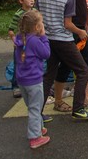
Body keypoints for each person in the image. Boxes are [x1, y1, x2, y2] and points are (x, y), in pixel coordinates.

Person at [37, 0, 88, 121]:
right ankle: (78, 109)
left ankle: (38, 113)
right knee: (83, 70)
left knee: (48, 75)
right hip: (64, 40)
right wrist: (80, 32)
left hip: (48, 39)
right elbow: (67, 24)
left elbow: (39, 15)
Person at [13, 9, 51, 149]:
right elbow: (46, 54)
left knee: (32, 106)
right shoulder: (34, 41)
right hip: (34, 80)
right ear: (37, 27)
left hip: (22, 80)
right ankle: (35, 137)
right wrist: (44, 37)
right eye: (42, 23)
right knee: (35, 108)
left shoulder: (20, 38)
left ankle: (38, 128)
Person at [7, 0, 35, 98]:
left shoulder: (35, 11)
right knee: (18, 64)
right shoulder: (18, 14)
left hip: (32, 42)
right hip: (21, 44)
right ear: (21, 1)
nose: (32, 0)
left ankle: (31, 83)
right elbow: (11, 30)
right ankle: (16, 86)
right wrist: (15, 40)